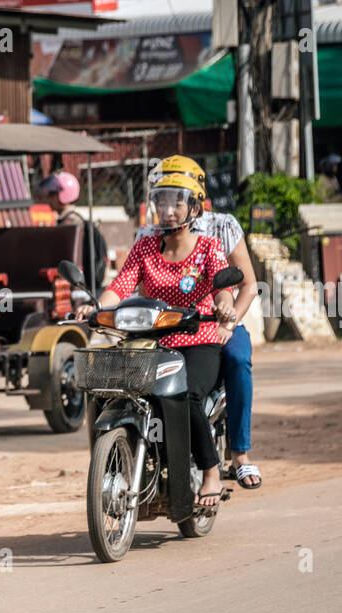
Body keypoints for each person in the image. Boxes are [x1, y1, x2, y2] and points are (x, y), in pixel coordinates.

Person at [80, 172, 236, 511]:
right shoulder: (145, 247)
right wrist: (94, 307)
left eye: (177, 202)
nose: (169, 210)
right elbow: (119, 287)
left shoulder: (209, 247)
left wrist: (224, 304)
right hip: (151, 344)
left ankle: (210, 471)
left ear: (194, 207)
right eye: (162, 202)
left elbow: (223, 288)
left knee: (187, 394)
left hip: (198, 342)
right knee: (106, 389)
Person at [138, 155, 263, 490]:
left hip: (216, 321)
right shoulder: (150, 233)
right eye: (162, 195)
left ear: (195, 195)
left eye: (176, 195)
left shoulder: (222, 226)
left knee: (237, 359)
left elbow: (248, 283)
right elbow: (134, 286)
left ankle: (240, 455)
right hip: (164, 327)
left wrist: (228, 321)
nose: (168, 204)